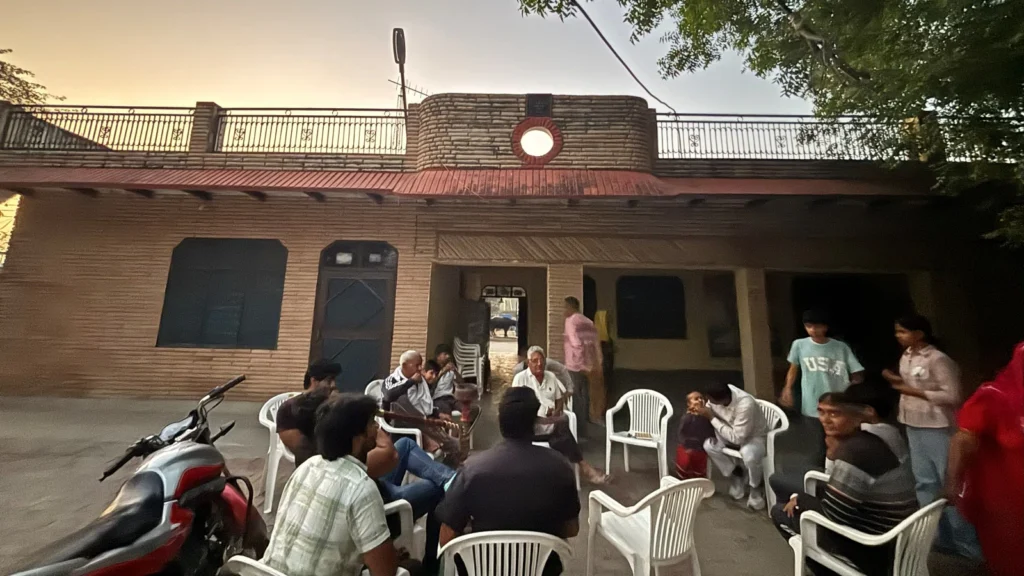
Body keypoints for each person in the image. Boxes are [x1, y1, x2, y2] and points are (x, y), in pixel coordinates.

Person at [770, 391, 918, 576]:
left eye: (834, 413)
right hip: (893, 536)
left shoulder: (855, 451)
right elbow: (839, 490)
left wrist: (800, 499)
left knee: (780, 512)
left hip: (875, 546)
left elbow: (834, 515)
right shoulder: (869, 440)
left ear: (857, 417)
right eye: (821, 412)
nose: (826, 420)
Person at [436, 386, 580, 576]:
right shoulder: (560, 467)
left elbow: (446, 537)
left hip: (481, 569)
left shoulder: (472, 469)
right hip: (541, 570)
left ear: (500, 421)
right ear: (535, 422)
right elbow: (572, 529)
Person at [261, 394, 405, 576]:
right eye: (371, 423)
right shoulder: (361, 487)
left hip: (268, 572)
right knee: (412, 567)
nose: (377, 428)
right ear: (357, 436)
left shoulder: (307, 466)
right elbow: (385, 571)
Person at [882, 314, 980, 559]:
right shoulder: (906, 356)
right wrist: (896, 381)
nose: (898, 336)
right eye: (897, 332)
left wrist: (914, 391)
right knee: (924, 482)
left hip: (937, 426)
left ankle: (966, 544)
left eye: (903, 331)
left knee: (949, 483)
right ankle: (937, 537)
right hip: (913, 423)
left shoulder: (938, 359)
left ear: (919, 334)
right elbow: (908, 384)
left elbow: (953, 395)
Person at [945, 343, 1024, 576]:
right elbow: (963, 440)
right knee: (1011, 560)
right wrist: (952, 484)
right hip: (1007, 504)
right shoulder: (994, 396)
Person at [512, 345, 609, 485]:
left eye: (541, 360)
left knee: (561, 426)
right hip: (531, 426)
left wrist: (556, 411)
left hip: (551, 424)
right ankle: (585, 468)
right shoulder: (520, 379)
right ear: (528, 362)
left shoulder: (551, 377)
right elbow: (515, 405)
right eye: (535, 361)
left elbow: (559, 400)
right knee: (562, 432)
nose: (539, 364)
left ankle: (581, 469)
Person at [781, 309, 865, 466]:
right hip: (812, 401)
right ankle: (820, 470)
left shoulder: (840, 347)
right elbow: (793, 369)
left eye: (817, 326)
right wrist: (787, 388)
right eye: (809, 326)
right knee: (817, 441)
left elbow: (856, 372)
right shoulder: (799, 345)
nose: (813, 330)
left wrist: (854, 395)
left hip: (837, 400)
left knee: (840, 439)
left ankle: (839, 468)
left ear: (825, 327)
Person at [697, 382, 769, 510]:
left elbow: (737, 438)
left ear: (721, 400)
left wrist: (711, 417)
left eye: (710, 400)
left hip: (753, 437)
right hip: (728, 431)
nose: (708, 402)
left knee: (749, 454)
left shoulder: (745, 404)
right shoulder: (719, 395)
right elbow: (708, 409)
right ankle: (736, 473)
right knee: (709, 445)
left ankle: (755, 488)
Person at [382, 350, 459, 462]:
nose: (420, 368)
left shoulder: (420, 381)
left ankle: (450, 465)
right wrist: (411, 382)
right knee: (445, 446)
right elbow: (388, 396)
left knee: (456, 446)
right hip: (400, 427)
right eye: (417, 365)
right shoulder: (392, 380)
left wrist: (438, 413)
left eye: (420, 365)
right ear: (404, 365)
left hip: (421, 422)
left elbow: (421, 405)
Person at [276, 359, 342, 466]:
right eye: (329, 380)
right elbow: (302, 449)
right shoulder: (290, 408)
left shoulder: (336, 404)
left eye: (334, 380)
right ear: (314, 381)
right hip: (312, 465)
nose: (333, 385)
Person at [563, 296, 600, 439]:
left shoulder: (571, 321)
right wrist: (594, 362)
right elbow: (595, 343)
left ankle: (577, 430)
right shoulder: (588, 322)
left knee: (576, 397)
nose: (563, 311)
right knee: (585, 396)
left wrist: (579, 363)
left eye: (565, 307)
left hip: (575, 366)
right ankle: (585, 428)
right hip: (589, 365)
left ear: (570, 307)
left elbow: (576, 344)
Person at [675, 391, 715, 479]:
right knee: (686, 459)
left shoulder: (706, 416)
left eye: (701, 398)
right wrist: (685, 443)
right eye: (696, 399)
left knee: (700, 461)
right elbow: (681, 432)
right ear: (689, 404)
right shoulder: (687, 417)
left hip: (701, 445)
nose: (700, 400)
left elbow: (710, 430)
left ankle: (698, 478)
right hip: (688, 444)